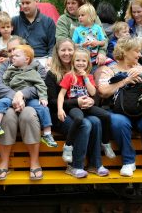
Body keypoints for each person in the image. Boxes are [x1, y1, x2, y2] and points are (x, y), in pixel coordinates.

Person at [97, 37, 142, 177]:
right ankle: (128, 161)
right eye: (136, 51)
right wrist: (125, 81)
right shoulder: (109, 70)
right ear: (125, 52)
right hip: (118, 110)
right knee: (119, 122)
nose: (140, 55)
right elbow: (103, 91)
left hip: (141, 109)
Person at [45, 38, 109, 178]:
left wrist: (91, 101)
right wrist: (76, 102)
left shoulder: (83, 69)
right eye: (63, 50)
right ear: (57, 52)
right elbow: (52, 101)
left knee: (96, 122)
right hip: (61, 114)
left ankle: (95, 164)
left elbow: (93, 93)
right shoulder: (52, 74)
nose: (67, 53)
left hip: (82, 110)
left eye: (70, 50)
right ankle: (75, 165)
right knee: (84, 124)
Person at [0, 36, 45, 181]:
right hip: (8, 103)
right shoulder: (5, 65)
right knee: (7, 116)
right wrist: (15, 96)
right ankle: (4, 161)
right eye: (9, 51)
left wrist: (23, 94)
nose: (11, 53)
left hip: (31, 103)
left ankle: (34, 161)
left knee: (28, 114)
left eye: (15, 49)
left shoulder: (36, 64)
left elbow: (41, 85)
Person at [0, 45, 57, 147]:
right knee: (0, 102)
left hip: (30, 99)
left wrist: (43, 97)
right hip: (12, 97)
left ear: (27, 59)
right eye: (12, 54)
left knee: (43, 108)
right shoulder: (10, 69)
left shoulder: (33, 72)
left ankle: (47, 134)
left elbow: (41, 85)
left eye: (16, 55)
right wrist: (15, 95)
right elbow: (4, 82)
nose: (12, 57)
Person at [57, 47, 115, 163]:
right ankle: (68, 146)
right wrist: (60, 109)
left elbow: (93, 93)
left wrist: (85, 78)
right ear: (73, 62)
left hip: (87, 106)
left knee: (106, 116)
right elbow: (61, 94)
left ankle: (105, 143)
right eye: (78, 60)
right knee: (78, 119)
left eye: (84, 61)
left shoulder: (89, 76)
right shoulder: (69, 76)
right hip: (74, 106)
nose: (80, 63)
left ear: (88, 63)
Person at [0, 0, 56, 69]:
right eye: (22, 3)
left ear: (36, 2)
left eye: (27, 3)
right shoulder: (14, 21)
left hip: (42, 59)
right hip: (19, 60)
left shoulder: (48, 22)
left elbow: (52, 45)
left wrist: (50, 58)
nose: (24, 6)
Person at [55, 0, 108, 67]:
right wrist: (80, 46)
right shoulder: (63, 19)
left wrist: (101, 53)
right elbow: (61, 41)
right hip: (73, 58)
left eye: (73, 3)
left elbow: (104, 39)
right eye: (68, 3)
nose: (70, 6)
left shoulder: (93, 17)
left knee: (106, 71)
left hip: (95, 56)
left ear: (81, 4)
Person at [72, 3, 113, 72]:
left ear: (91, 16)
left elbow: (103, 42)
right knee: (93, 72)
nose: (79, 17)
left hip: (96, 56)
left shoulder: (97, 28)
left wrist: (97, 43)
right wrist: (81, 45)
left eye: (82, 15)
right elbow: (72, 44)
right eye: (79, 16)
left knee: (112, 65)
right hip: (84, 59)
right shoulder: (77, 30)